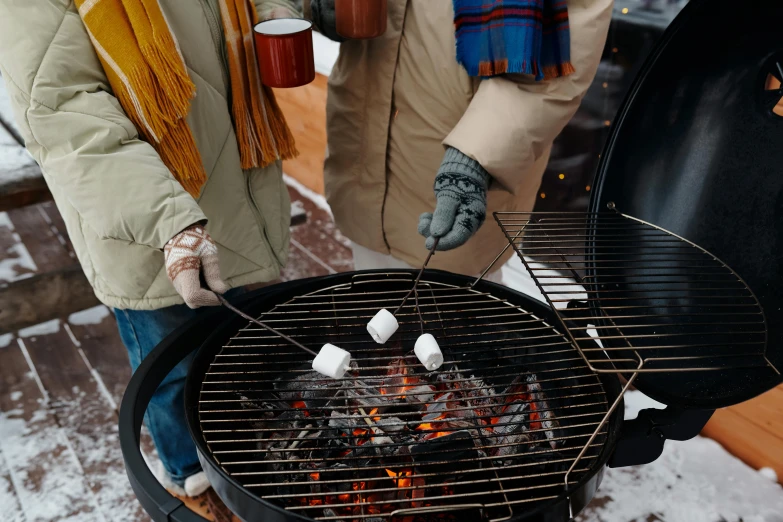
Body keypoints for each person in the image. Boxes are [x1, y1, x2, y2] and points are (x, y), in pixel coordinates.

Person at [0, 0, 301, 509]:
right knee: (175, 371)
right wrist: (170, 222)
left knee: (246, 354)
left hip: (242, 196)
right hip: (150, 224)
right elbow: (66, 116)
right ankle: (192, 480)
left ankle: (253, 464)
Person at [309, 0, 613, 282]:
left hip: (459, 161)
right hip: (360, 149)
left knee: (458, 321)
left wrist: (476, 157)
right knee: (375, 304)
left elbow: (572, 35)